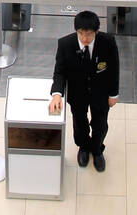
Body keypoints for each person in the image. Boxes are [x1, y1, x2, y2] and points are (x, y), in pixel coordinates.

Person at [47, 10, 119, 171]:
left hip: (100, 93)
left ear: (96, 32)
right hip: (77, 93)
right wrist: (57, 94)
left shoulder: (108, 42)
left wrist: (114, 93)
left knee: (100, 125)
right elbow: (59, 71)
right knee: (80, 123)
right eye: (81, 34)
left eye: (89, 34)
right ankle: (84, 147)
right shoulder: (65, 44)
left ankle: (97, 149)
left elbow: (114, 68)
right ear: (76, 31)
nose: (85, 39)